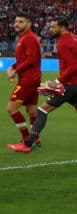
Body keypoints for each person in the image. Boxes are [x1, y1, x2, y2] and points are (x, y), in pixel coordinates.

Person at [8, 17, 77, 153]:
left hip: (69, 85)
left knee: (43, 110)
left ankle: (28, 143)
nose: (51, 29)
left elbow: (71, 67)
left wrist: (56, 82)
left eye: (54, 27)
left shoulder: (63, 43)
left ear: (62, 27)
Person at [6, 13, 41, 144]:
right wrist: (13, 66)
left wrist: (15, 71)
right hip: (32, 78)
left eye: (21, 22)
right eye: (16, 21)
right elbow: (23, 59)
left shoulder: (29, 38)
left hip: (29, 78)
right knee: (31, 110)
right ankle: (36, 139)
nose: (17, 24)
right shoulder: (23, 38)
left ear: (29, 24)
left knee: (11, 108)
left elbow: (32, 59)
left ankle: (27, 139)